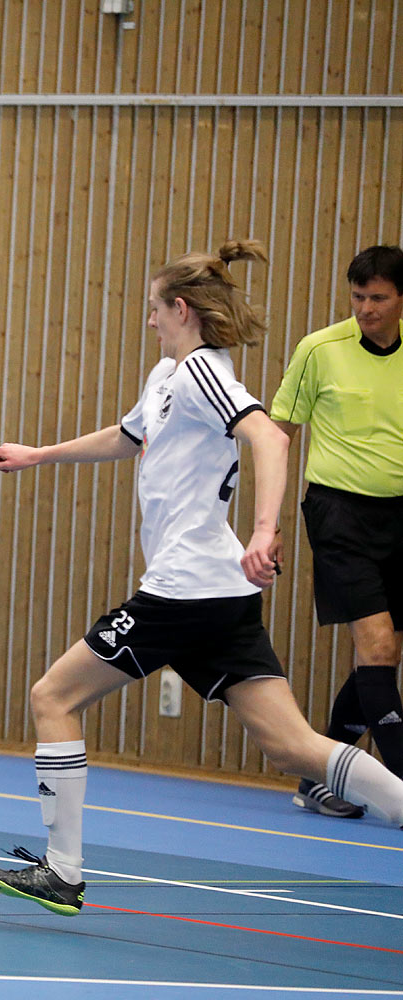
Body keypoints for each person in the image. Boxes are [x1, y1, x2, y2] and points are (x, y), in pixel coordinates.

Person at [0, 241, 403, 916]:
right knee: (291, 746)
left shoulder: (205, 371)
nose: (147, 321)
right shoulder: (168, 375)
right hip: (220, 593)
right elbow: (127, 436)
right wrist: (38, 455)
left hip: (185, 588)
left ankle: (63, 871)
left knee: (52, 697)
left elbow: (271, 436)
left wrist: (264, 529)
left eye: (152, 309)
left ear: (180, 309)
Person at [269, 245, 403, 819]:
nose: (366, 309)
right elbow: (277, 436)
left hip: (399, 514)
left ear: (401, 299)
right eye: (358, 297)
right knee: (375, 646)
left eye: (378, 298)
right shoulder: (319, 349)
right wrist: (264, 525)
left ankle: (322, 775)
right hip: (338, 513)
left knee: (388, 652)